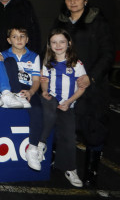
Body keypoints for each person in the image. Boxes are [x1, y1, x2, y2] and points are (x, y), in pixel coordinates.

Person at [52, 0, 114, 187]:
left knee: (94, 128)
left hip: (92, 86)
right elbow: (52, 50)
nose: (73, 1)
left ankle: (91, 171)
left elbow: (108, 54)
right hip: (67, 87)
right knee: (64, 125)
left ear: (85, 0)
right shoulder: (61, 21)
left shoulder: (98, 22)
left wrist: (92, 77)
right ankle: (61, 164)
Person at [36, 29, 87, 188]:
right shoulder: (47, 61)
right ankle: (40, 144)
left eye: (62, 42)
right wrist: (44, 91)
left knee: (69, 136)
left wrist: (69, 101)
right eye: (54, 42)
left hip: (67, 104)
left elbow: (82, 87)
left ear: (69, 43)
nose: (58, 45)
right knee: (48, 113)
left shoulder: (76, 64)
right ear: (49, 45)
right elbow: (44, 80)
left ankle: (70, 169)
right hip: (51, 99)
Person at [0, 27, 44, 172]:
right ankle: (10, 97)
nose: (19, 40)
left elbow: (36, 80)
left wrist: (31, 92)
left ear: (27, 39)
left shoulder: (34, 56)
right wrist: (2, 91)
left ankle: (33, 148)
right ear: (9, 40)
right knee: (9, 61)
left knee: (37, 109)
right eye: (15, 37)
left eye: (22, 36)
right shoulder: (2, 55)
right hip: (9, 89)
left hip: (27, 90)